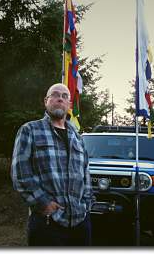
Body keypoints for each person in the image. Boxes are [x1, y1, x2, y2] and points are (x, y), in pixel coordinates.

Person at [11, 83, 94, 246]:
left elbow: (86, 173)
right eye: (55, 95)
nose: (60, 99)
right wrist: (43, 203)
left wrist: (87, 205)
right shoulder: (30, 130)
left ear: (69, 104)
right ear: (46, 101)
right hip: (47, 222)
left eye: (65, 96)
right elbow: (20, 173)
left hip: (80, 222)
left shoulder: (77, 137)